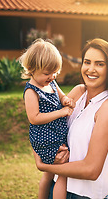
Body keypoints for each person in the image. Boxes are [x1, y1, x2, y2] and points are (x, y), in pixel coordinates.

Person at [33, 38, 108, 199]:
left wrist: (44, 165)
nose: (91, 69)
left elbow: (91, 170)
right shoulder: (78, 92)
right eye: (87, 62)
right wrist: (44, 156)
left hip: (85, 195)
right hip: (57, 187)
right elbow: (44, 126)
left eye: (100, 64)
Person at [20, 38, 75, 199]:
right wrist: (62, 112)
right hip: (46, 139)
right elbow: (34, 118)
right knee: (62, 173)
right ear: (31, 69)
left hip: (55, 135)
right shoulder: (31, 91)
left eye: (55, 72)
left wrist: (66, 100)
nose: (52, 76)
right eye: (47, 73)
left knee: (50, 174)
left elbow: (62, 96)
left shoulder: (51, 83)